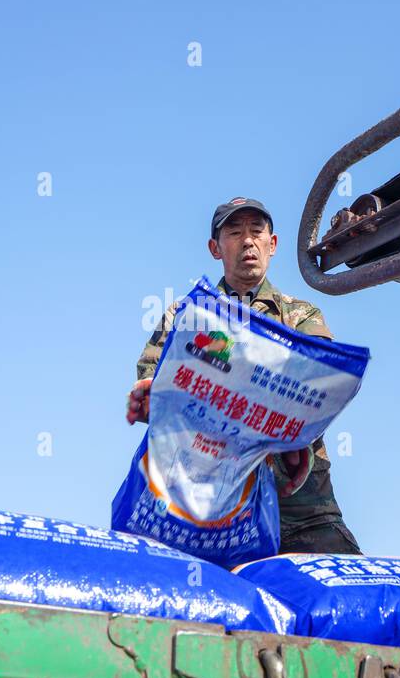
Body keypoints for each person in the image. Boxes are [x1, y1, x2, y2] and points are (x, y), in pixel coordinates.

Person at [125, 197, 362, 555]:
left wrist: (291, 440)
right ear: (215, 248)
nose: (247, 241)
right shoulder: (187, 316)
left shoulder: (299, 316)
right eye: (234, 232)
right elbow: (152, 379)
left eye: (256, 231)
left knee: (348, 596)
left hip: (300, 512)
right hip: (203, 508)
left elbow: (318, 390)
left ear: (273, 244)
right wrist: (151, 398)